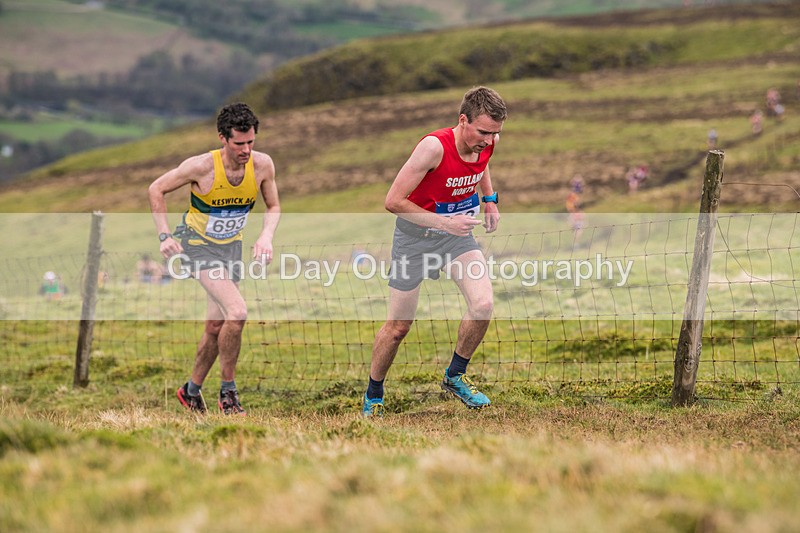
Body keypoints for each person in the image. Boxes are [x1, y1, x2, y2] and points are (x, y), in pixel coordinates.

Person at [362, 86, 507, 417]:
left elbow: (482, 164)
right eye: (482, 132)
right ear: (463, 120)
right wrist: (445, 223)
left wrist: (489, 200)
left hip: (456, 238)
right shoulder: (433, 147)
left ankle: (454, 376)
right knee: (398, 327)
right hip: (414, 239)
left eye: (494, 133)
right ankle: (374, 394)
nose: (488, 140)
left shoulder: (488, 142)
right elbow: (392, 201)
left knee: (483, 304)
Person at [148, 102, 281, 415]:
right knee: (237, 312)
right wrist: (165, 235)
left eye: (251, 142)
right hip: (198, 246)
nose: (246, 150)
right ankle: (228, 392)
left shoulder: (263, 165)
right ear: (223, 138)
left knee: (215, 325)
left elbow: (273, 206)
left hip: (230, 248)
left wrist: (266, 236)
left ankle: (190, 391)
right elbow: (156, 189)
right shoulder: (201, 167)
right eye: (239, 143)